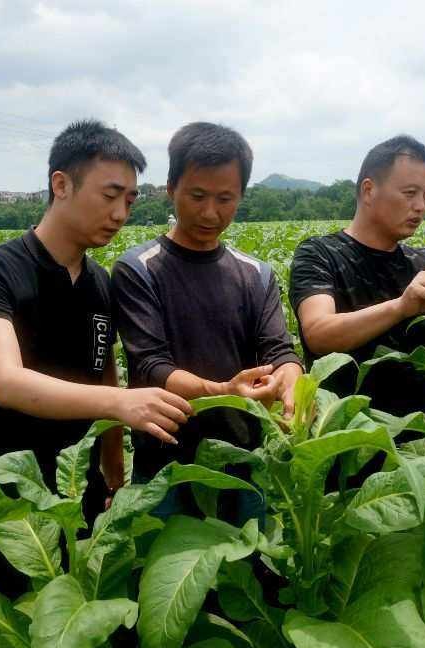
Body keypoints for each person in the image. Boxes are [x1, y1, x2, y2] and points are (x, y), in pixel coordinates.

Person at [0, 119, 193, 598]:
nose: (121, 212)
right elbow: (7, 382)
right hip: (1, 504)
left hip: (75, 493)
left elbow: (105, 375)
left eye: (130, 199)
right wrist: (121, 403)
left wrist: (115, 480)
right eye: (110, 194)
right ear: (60, 185)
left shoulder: (100, 284)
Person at [112, 122, 303, 523]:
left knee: (250, 579)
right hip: (164, 466)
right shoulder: (139, 269)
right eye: (197, 196)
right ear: (171, 189)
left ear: (241, 197)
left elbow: (279, 350)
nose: (210, 212)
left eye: (225, 198)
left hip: (241, 461)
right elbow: (151, 365)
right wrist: (221, 392)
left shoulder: (256, 273)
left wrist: (289, 382)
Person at [290, 135, 425, 419]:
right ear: (369, 190)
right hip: (343, 437)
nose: (421, 206)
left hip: (418, 437)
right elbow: (319, 333)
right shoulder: (321, 254)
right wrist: (401, 306)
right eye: (410, 193)